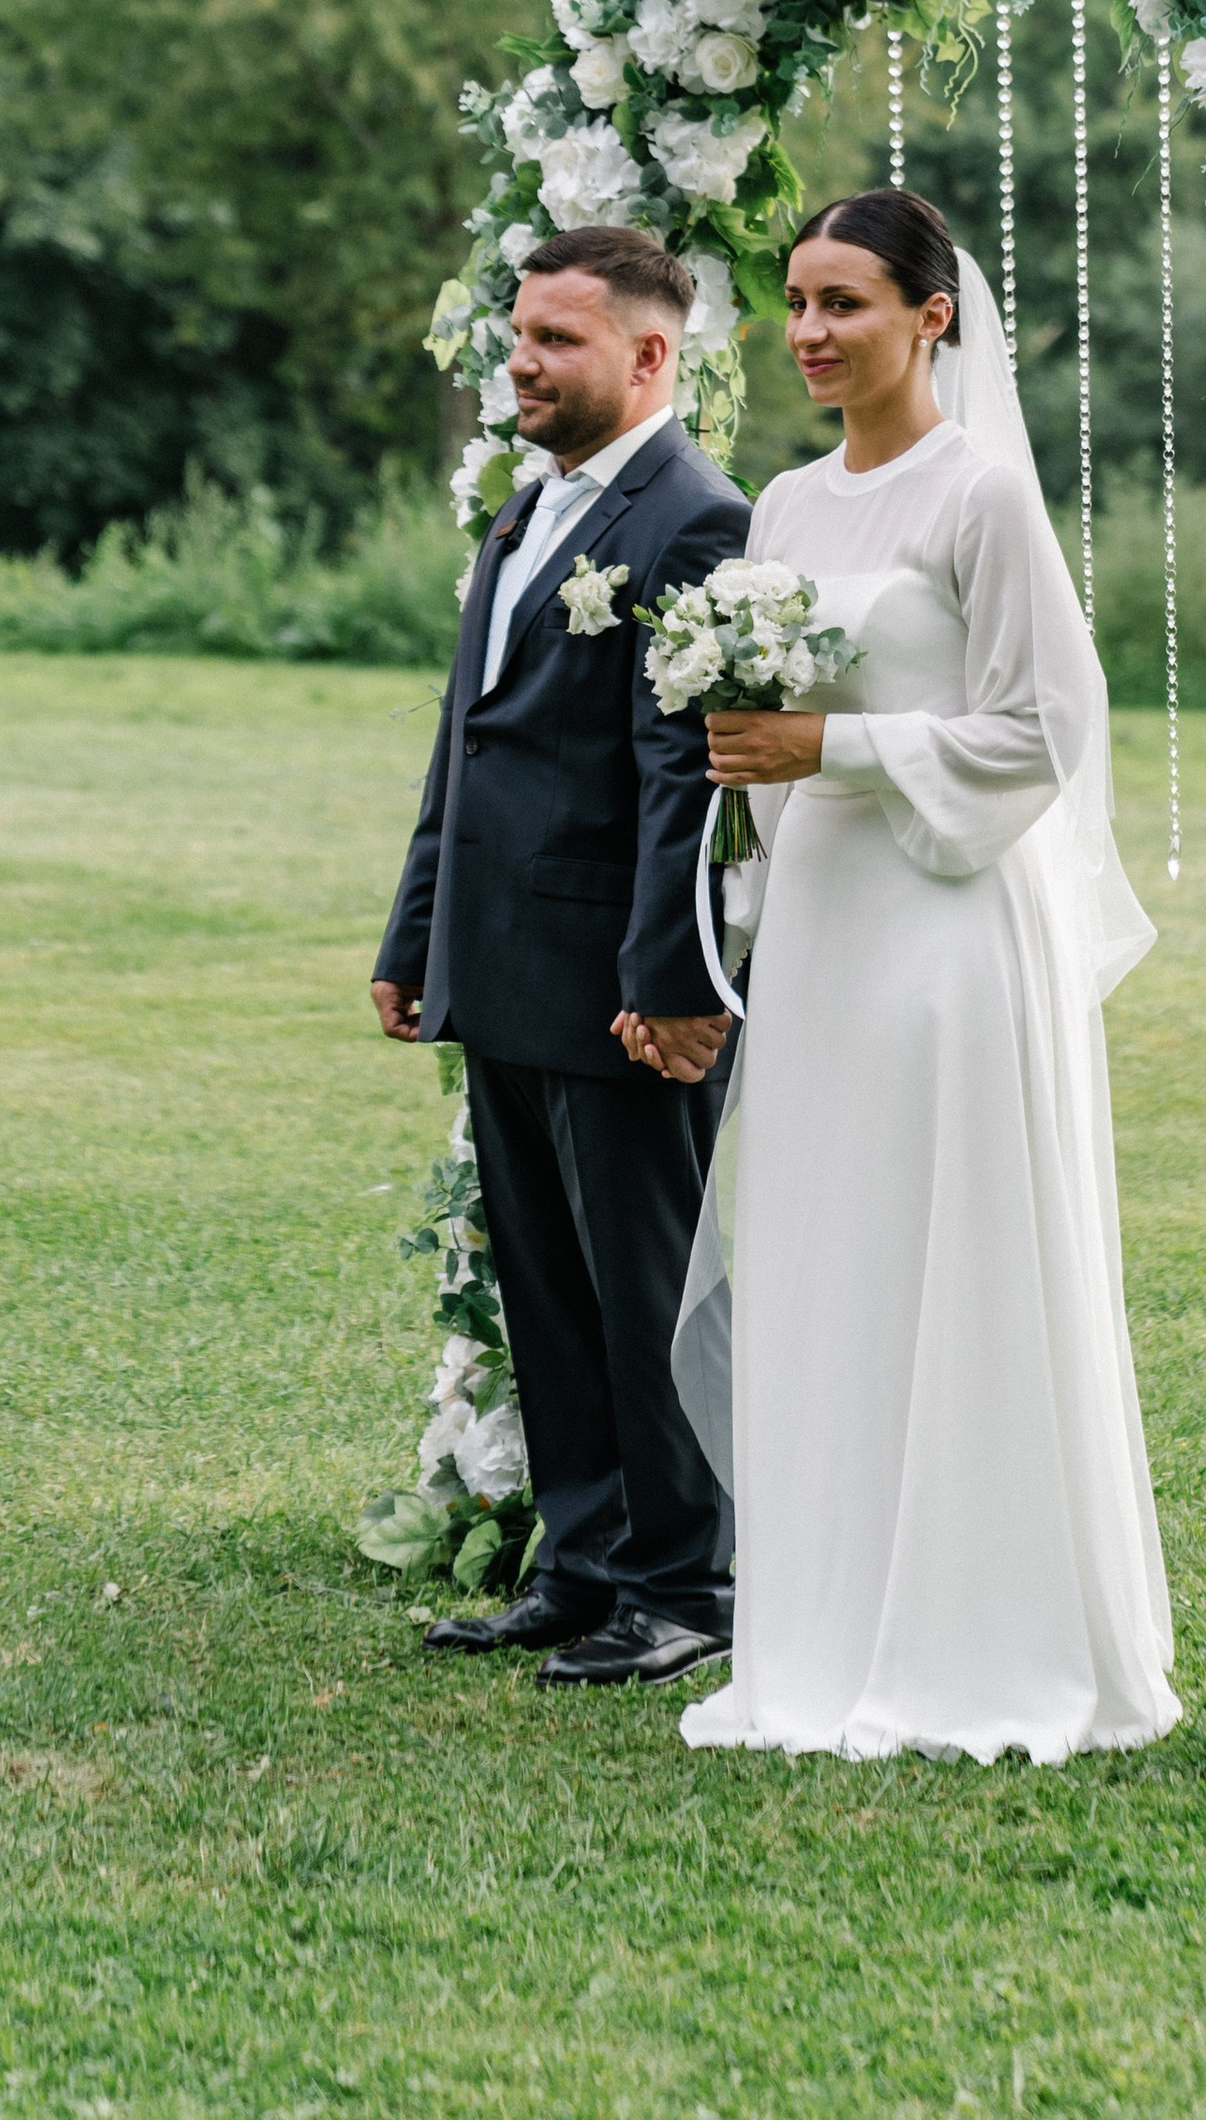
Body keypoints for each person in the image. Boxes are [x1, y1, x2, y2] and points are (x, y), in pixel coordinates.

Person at [633, 187, 1179, 1764]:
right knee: (830, 1252)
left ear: (932, 317)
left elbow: (1046, 728)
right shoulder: (787, 505)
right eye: (797, 303)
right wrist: (755, 795)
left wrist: (838, 747)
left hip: (946, 930)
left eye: (845, 303)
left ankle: (973, 1636)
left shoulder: (981, 496)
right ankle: (818, 1630)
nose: (809, 331)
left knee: (945, 1251)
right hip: (822, 924)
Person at [371, 222, 746, 1688]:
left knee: (648, 1300)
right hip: (504, 963)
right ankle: (581, 1569)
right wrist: (419, 929)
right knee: (546, 1290)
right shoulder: (524, 512)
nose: (519, 362)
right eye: (519, 335)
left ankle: (685, 1585)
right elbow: (465, 749)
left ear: (649, 355)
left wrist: (667, 983)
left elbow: (683, 779)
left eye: (554, 340)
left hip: (619, 989)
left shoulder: (693, 521)